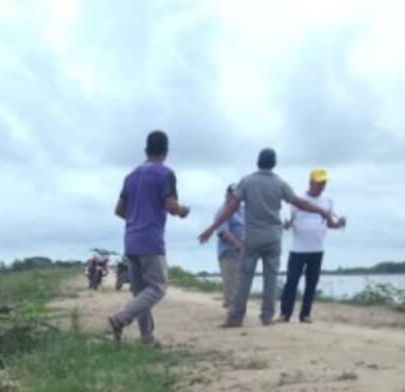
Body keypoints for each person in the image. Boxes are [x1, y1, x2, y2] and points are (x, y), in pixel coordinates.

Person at [198, 148, 337, 327]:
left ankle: (235, 317)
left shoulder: (247, 182)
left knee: (245, 278)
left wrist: (211, 228)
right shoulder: (280, 183)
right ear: (274, 164)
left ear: (258, 161)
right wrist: (322, 211)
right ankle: (267, 317)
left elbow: (231, 207)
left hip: (253, 236)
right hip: (273, 237)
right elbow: (299, 202)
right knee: (270, 279)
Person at [108, 129, 190, 345]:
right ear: (166, 151)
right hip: (151, 240)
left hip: (131, 239)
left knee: (141, 292)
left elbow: (119, 209)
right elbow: (171, 206)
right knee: (158, 287)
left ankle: (147, 337)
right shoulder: (165, 174)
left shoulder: (131, 176)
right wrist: (183, 211)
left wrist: (135, 216)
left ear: (146, 149)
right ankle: (121, 318)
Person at [280, 168, 346, 322]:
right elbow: (288, 223)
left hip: (317, 249)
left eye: (324, 183)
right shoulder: (298, 199)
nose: (322, 186)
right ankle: (285, 314)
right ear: (310, 182)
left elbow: (330, 224)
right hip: (298, 249)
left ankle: (305, 314)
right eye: (319, 182)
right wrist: (287, 225)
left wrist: (339, 223)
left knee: (312, 283)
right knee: (292, 282)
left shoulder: (328, 201)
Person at [216, 183, 244, 308]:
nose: (235, 198)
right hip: (229, 252)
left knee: (240, 284)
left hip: (244, 252)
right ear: (227, 195)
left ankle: (235, 308)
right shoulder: (223, 211)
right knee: (232, 284)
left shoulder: (244, 210)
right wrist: (238, 245)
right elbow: (223, 232)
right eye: (233, 195)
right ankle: (233, 311)